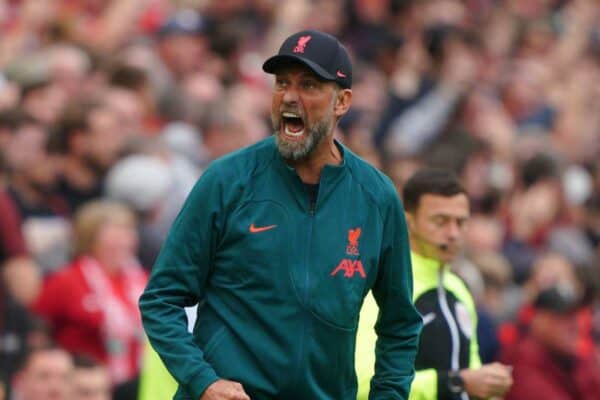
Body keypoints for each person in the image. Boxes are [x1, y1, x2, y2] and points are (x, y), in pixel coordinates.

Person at [139, 29, 422, 400]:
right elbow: (161, 298)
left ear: (342, 102)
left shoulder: (376, 196)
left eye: (308, 85)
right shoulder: (227, 181)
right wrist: (203, 381)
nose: (290, 96)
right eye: (282, 84)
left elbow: (400, 325)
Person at [356, 169, 513, 399]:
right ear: (409, 223)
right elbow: (362, 381)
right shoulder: (384, 286)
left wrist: (488, 386)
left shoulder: (459, 289)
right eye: (440, 221)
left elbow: (471, 374)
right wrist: (454, 382)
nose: (453, 233)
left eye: (461, 222)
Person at [32, 200, 147, 387]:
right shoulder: (67, 280)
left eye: (128, 231)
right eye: (115, 233)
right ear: (90, 238)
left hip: (137, 383)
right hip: (82, 385)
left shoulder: (142, 280)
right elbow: (37, 330)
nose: (124, 240)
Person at [502, 287, 600, 400]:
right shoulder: (521, 358)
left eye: (575, 317)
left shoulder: (568, 359)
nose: (575, 326)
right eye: (564, 318)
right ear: (540, 321)